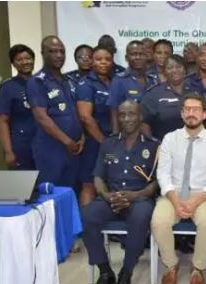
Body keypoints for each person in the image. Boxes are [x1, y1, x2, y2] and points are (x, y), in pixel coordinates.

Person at [81, 100, 159, 284]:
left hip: (139, 198)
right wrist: (106, 195)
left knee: (140, 217)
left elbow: (157, 183)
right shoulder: (108, 143)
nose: (126, 119)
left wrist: (135, 195)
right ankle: (105, 272)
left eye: (131, 114)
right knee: (87, 215)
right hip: (111, 197)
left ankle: (126, 273)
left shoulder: (153, 146)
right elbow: (98, 175)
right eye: (122, 115)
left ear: (140, 116)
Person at [151, 92, 206, 284]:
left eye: (195, 109)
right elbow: (163, 175)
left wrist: (194, 201)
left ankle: (198, 268)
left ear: (204, 114)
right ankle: (171, 264)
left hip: (203, 196)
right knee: (159, 221)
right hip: (173, 194)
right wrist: (176, 202)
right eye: (187, 109)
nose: (191, 113)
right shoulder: (169, 139)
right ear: (182, 113)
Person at [26, 35, 84, 187]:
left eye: (62, 51)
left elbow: (76, 113)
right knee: (51, 194)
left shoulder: (69, 81)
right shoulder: (37, 81)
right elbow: (41, 118)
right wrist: (67, 141)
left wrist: (82, 136)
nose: (58, 55)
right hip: (51, 149)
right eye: (53, 51)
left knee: (70, 193)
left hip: (74, 149)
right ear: (43, 53)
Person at [76, 46, 114, 207]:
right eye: (99, 59)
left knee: (108, 183)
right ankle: (85, 229)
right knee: (89, 185)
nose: (103, 63)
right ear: (92, 61)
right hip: (94, 143)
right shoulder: (86, 84)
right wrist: (103, 142)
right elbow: (85, 117)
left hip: (111, 142)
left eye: (107, 59)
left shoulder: (113, 81)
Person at [0, 44, 37, 170]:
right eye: (19, 60)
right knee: (25, 186)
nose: (25, 62)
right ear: (13, 64)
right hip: (21, 145)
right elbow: (3, 121)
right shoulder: (8, 87)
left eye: (28, 58)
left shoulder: (42, 83)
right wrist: (8, 152)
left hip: (44, 144)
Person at [141, 54, 198, 141]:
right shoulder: (154, 94)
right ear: (164, 72)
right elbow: (144, 123)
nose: (174, 70)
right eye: (170, 68)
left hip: (193, 144)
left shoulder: (195, 91)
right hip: (163, 146)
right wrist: (153, 144)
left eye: (178, 67)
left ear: (185, 70)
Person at [107, 40, 148, 133]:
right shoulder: (119, 80)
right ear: (127, 57)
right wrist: (116, 136)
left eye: (141, 54)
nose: (138, 57)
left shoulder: (153, 79)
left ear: (146, 56)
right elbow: (114, 110)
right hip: (129, 134)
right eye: (134, 54)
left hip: (152, 134)